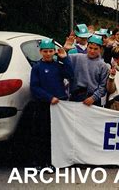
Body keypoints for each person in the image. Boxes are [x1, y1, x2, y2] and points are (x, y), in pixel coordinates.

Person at [29, 38, 73, 170]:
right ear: (41, 52)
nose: (48, 54)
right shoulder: (37, 68)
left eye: (50, 51)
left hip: (59, 105)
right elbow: (34, 87)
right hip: (44, 105)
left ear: (54, 52)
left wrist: (65, 58)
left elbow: (70, 74)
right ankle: (40, 162)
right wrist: (49, 98)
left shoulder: (58, 65)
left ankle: (53, 161)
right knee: (43, 133)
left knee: (57, 134)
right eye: (45, 51)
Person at [65, 35, 109, 107]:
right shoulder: (77, 57)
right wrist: (65, 49)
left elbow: (103, 86)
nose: (92, 51)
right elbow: (62, 59)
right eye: (90, 48)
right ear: (87, 47)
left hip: (93, 100)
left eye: (95, 49)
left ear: (100, 49)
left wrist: (93, 98)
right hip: (76, 96)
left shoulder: (103, 66)